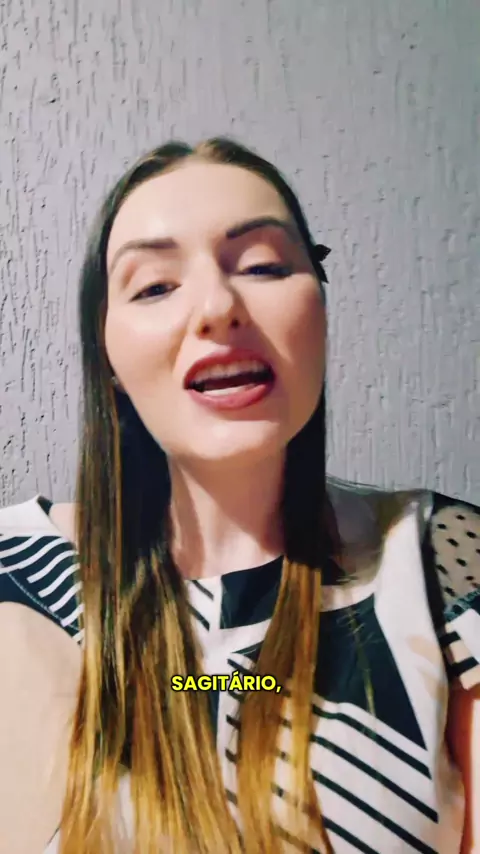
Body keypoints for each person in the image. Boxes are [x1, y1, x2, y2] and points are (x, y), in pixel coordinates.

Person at [0, 137, 478, 854]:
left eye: (262, 266)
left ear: (319, 312)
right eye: (154, 286)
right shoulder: (17, 572)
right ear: (108, 357)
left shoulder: (443, 553)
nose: (219, 307)